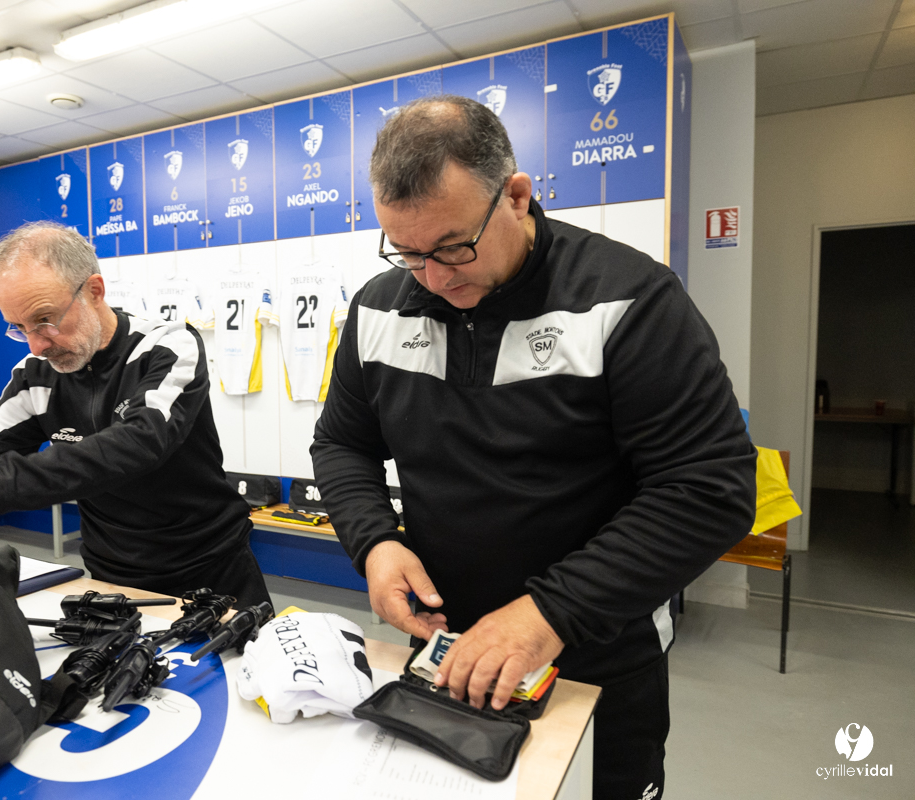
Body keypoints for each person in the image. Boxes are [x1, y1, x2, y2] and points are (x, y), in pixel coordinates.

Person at [311, 96, 755, 799]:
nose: (433, 277)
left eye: (455, 246)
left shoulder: (628, 300)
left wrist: (550, 611)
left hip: (600, 646)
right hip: (449, 648)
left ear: (516, 196)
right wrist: (375, 543)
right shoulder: (378, 309)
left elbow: (711, 488)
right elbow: (340, 444)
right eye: (408, 251)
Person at [0, 221, 270, 608]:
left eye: (45, 319)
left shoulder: (168, 346)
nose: (37, 346)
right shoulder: (34, 376)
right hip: (112, 577)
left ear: (94, 291)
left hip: (213, 571)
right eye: (19, 328)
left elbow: (139, 442)